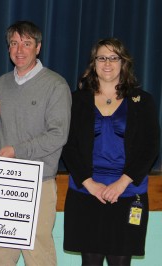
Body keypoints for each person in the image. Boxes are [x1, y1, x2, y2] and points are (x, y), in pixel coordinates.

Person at [62, 38, 160, 266]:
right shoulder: (76, 101)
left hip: (127, 193)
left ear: (123, 63)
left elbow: (150, 146)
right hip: (85, 192)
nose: (108, 63)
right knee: (90, 261)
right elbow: (67, 145)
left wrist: (122, 183)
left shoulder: (143, 101)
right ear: (93, 63)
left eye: (114, 57)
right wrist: (89, 183)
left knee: (120, 261)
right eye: (102, 57)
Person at [0, 21, 71, 266]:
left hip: (38, 183)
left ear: (38, 47)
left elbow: (58, 135)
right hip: (1, 180)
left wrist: (17, 151)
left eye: (26, 43)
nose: (19, 50)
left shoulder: (55, 85)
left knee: (38, 254)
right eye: (14, 43)